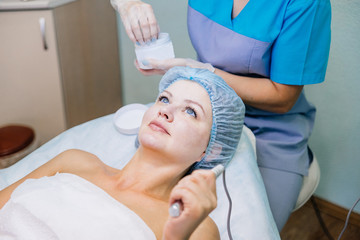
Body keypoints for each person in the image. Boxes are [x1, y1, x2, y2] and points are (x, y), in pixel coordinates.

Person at [111, 0, 332, 230]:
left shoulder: (304, 4)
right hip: (206, 110)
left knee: (248, 227)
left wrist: (206, 72)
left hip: (270, 127)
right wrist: (127, 3)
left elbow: (283, 98)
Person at [0, 67, 245, 239]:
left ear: (209, 150)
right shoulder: (74, 161)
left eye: (191, 111)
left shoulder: (194, 227)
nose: (165, 111)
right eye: (164, 99)